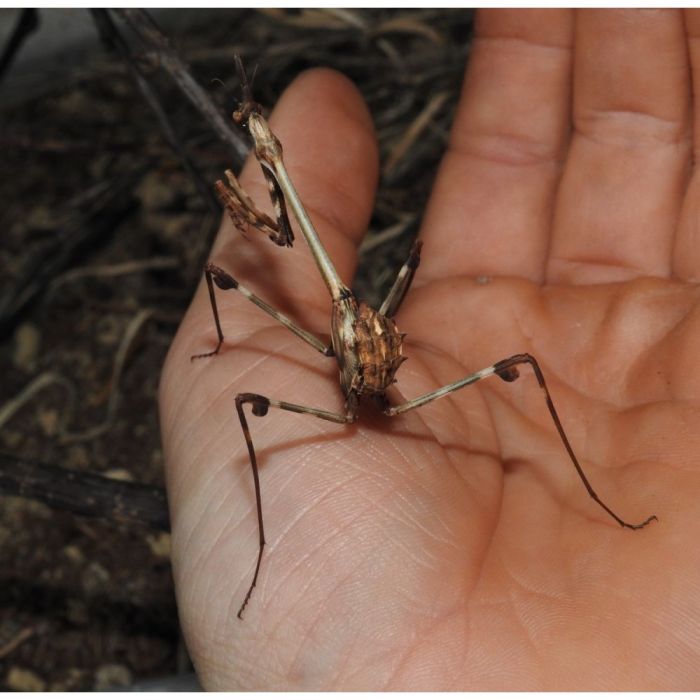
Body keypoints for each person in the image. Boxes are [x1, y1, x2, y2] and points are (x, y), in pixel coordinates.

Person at [159, 9, 700, 690]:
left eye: (259, 135)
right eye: (257, 134)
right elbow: (285, 229)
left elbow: (287, 231)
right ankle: (270, 544)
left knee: (244, 349)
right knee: (253, 280)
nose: (259, 141)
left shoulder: (291, 218)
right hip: (369, 360)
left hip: (373, 369)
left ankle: (595, 496)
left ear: (269, 149)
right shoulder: (285, 210)